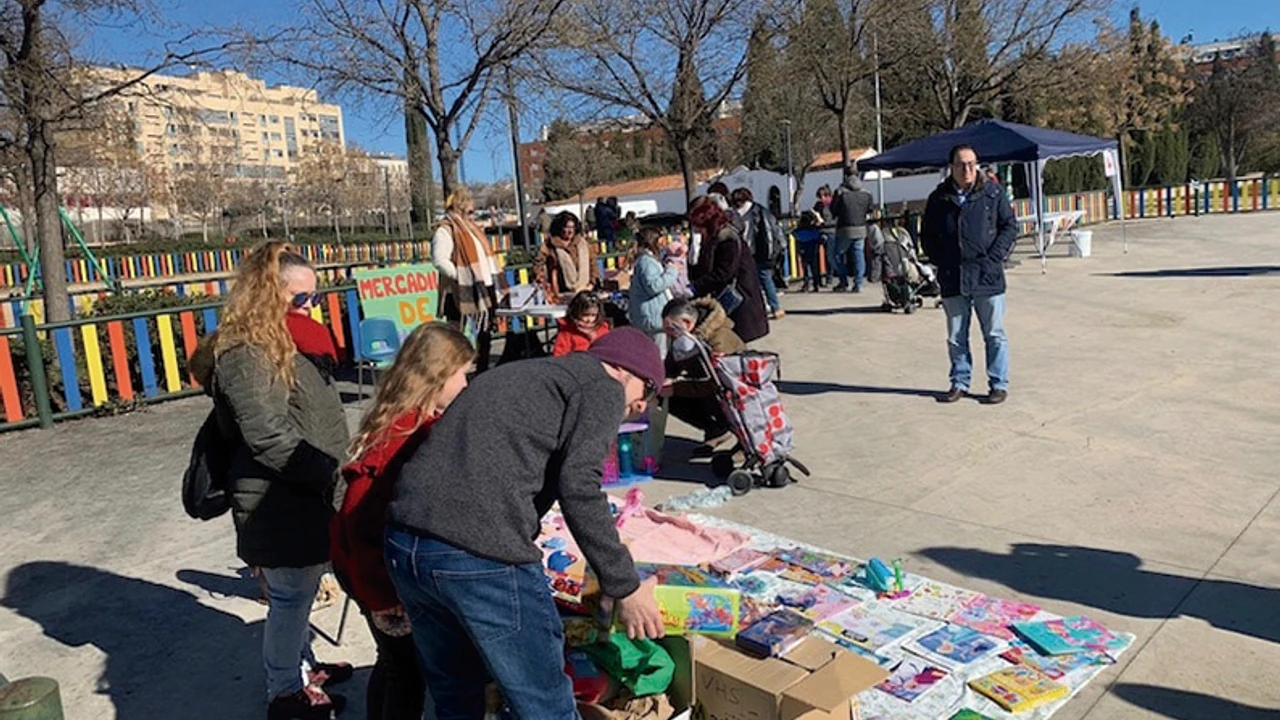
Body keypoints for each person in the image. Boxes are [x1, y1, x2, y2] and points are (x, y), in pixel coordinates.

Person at [385, 328, 667, 719]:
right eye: (648, 391)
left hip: (406, 544)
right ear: (624, 371)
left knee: (454, 692)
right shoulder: (602, 386)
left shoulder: (525, 373)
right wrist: (625, 585)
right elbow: (580, 486)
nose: (640, 406)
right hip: (477, 553)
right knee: (544, 701)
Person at [195, 241, 351, 720]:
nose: (311, 307)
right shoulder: (246, 351)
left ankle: (303, 666)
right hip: (277, 493)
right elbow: (266, 434)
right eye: (300, 298)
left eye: (314, 297)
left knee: (303, 589)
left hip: (303, 488)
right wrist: (327, 476)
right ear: (269, 296)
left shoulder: (290, 339)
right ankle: (284, 691)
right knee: (289, 596)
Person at [331, 323, 474, 720]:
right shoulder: (408, 432)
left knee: (394, 664)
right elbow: (362, 518)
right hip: (374, 571)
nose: (467, 383)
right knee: (407, 672)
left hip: (367, 564)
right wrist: (382, 598)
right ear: (438, 374)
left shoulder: (405, 418)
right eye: (463, 373)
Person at [921, 144, 1017, 405]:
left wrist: (994, 258)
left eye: (972, 164)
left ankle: (998, 384)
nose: (967, 170)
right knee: (956, 336)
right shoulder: (938, 199)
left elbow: (1009, 226)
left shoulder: (993, 193)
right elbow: (927, 235)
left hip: (988, 277)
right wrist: (940, 260)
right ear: (951, 167)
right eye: (961, 164)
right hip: (954, 277)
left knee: (994, 334)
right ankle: (959, 382)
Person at [661, 296, 745, 453]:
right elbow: (670, 367)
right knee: (662, 395)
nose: (669, 335)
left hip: (732, 393)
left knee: (678, 391)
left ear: (687, 323)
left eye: (670, 330)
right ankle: (715, 429)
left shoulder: (719, 339)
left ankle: (742, 442)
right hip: (705, 387)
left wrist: (676, 388)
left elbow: (716, 384)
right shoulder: (680, 335)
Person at [431, 189, 501, 372]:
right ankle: (451, 375)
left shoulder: (473, 231)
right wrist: (462, 277)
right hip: (458, 290)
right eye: (469, 212)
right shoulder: (445, 230)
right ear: (458, 209)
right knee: (455, 337)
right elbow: (439, 260)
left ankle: (482, 373)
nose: (473, 216)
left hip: (481, 287)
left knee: (484, 333)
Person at [687, 196, 769, 344]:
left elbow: (724, 273)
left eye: (699, 227)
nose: (697, 231)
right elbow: (701, 268)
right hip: (723, 300)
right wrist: (694, 252)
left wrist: (695, 287)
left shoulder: (727, 238)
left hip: (739, 300)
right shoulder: (711, 238)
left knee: (735, 345)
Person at [730, 187, 785, 320]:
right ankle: (776, 307)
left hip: (744, 251)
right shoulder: (760, 210)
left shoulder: (734, 214)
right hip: (762, 249)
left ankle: (753, 309)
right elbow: (773, 229)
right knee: (766, 279)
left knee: (745, 282)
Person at [627, 228, 680, 355]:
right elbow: (653, 286)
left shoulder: (644, 260)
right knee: (658, 353)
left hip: (648, 314)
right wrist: (672, 271)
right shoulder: (647, 262)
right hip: (653, 316)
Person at [535, 210, 600, 303]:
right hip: (561, 292)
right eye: (567, 227)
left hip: (586, 290)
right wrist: (542, 280)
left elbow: (593, 263)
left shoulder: (583, 243)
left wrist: (591, 284)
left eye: (572, 228)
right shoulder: (550, 245)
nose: (570, 231)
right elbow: (538, 263)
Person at [830, 167, 874, 293]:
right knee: (858, 255)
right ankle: (858, 283)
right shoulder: (866, 192)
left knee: (838, 255)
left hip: (844, 228)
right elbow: (870, 209)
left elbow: (834, 210)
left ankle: (843, 281)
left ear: (845, 176)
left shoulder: (840, 192)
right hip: (861, 227)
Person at [553, 291, 611, 356]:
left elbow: (609, 350)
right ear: (576, 313)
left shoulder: (603, 329)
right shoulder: (567, 332)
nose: (589, 320)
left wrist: (593, 338)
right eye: (585, 315)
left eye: (593, 315)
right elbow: (558, 354)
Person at [794, 210, 824, 293]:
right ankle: (816, 284)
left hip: (804, 252)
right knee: (815, 268)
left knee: (805, 269)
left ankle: (806, 284)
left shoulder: (798, 232)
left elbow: (792, 233)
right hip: (814, 252)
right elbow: (821, 235)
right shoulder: (815, 231)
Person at [814, 185, 837, 288]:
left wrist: (823, 223)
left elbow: (836, 220)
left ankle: (829, 278)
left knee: (829, 256)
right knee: (816, 256)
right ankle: (818, 280)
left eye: (822, 196)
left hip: (830, 231)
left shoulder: (833, 205)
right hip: (820, 232)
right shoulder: (818, 205)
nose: (820, 199)